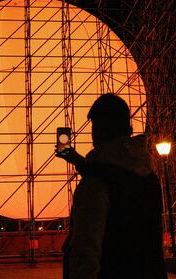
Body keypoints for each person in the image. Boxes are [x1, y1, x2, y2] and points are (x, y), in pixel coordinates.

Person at [57, 94, 167, 279]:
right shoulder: (149, 179)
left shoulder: (94, 184)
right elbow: (116, 174)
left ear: (98, 130)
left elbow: (85, 254)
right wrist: (81, 162)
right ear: (130, 129)